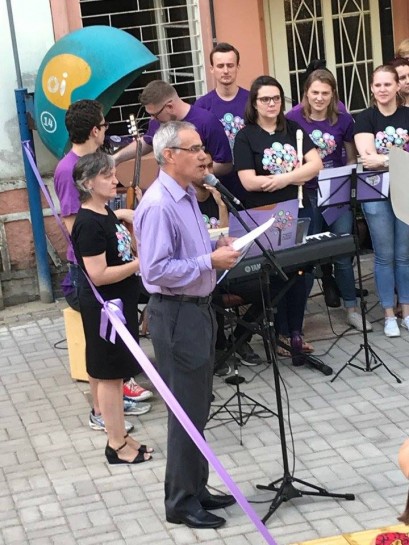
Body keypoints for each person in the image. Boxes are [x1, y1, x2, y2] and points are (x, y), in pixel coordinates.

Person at [134, 121, 239, 529]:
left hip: (197, 309)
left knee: (198, 406)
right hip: (175, 313)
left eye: (203, 148)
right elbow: (156, 270)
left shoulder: (188, 196)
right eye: (194, 149)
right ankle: (180, 501)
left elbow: (187, 249)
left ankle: (197, 485)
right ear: (169, 156)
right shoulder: (160, 203)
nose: (204, 155)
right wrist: (207, 263)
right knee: (184, 412)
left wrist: (214, 247)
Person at [54, 99, 152, 433]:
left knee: (111, 348)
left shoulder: (92, 164)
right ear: (95, 130)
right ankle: (102, 410)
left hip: (110, 264)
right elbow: (74, 224)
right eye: (105, 126)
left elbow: (101, 205)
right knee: (101, 346)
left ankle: (111, 400)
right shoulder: (71, 171)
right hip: (91, 272)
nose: (107, 132)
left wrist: (120, 215)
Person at [71, 151, 154, 464]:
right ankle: (115, 443)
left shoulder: (105, 213)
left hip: (121, 304)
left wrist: (124, 216)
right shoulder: (88, 224)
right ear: (89, 183)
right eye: (107, 176)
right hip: (107, 311)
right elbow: (98, 274)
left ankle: (121, 435)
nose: (114, 181)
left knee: (117, 375)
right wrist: (139, 264)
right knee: (108, 376)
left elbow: (114, 231)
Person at [233, 75, 323, 363]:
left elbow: (316, 165)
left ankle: (295, 332)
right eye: (265, 99)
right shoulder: (246, 136)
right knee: (276, 275)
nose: (271, 104)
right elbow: (248, 181)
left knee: (301, 272)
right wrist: (290, 178)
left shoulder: (293, 129)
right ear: (255, 103)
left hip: (298, 207)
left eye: (276, 98)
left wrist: (283, 178)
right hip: (264, 213)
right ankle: (279, 332)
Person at [286, 69, 373, 332]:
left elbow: (349, 157)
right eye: (315, 92)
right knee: (306, 256)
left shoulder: (344, 120)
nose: (320, 98)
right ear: (306, 93)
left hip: (336, 193)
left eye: (325, 93)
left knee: (343, 253)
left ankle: (352, 309)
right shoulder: (292, 119)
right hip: (307, 194)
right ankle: (295, 319)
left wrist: (341, 181)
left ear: (333, 94)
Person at [193, 150, 263, 373]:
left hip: (226, 268)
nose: (208, 173)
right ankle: (219, 349)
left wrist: (222, 207)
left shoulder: (219, 197)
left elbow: (224, 237)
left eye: (210, 167)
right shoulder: (185, 204)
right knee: (213, 296)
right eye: (202, 168)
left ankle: (239, 340)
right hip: (203, 272)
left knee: (268, 286)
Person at [354, 64, 409, 337]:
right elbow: (368, 159)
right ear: (372, 88)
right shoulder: (365, 118)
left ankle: (406, 311)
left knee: (404, 256)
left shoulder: (408, 115)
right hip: (376, 194)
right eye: (378, 85)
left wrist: (385, 158)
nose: (383, 89)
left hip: (406, 191)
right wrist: (398, 158)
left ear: (398, 86)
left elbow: (378, 158)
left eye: (388, 84)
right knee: (384, 256)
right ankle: (388, 313)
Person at [114, 80, 232, 177]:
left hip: (201, 197)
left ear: (169, 106)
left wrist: (194, 174)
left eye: (155, 114)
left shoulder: (207, 121)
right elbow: (147, 141)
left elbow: (225, 165)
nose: (152, 119)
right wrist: (117, 158)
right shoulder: (158, 121)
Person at [195, 42, 248, 198]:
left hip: (249, 182)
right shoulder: (202, 106)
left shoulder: (252, 101)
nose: (225, 70)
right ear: (212, 69)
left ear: (238, 67)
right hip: (216, 186)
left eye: (230, 65)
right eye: (220, 66)